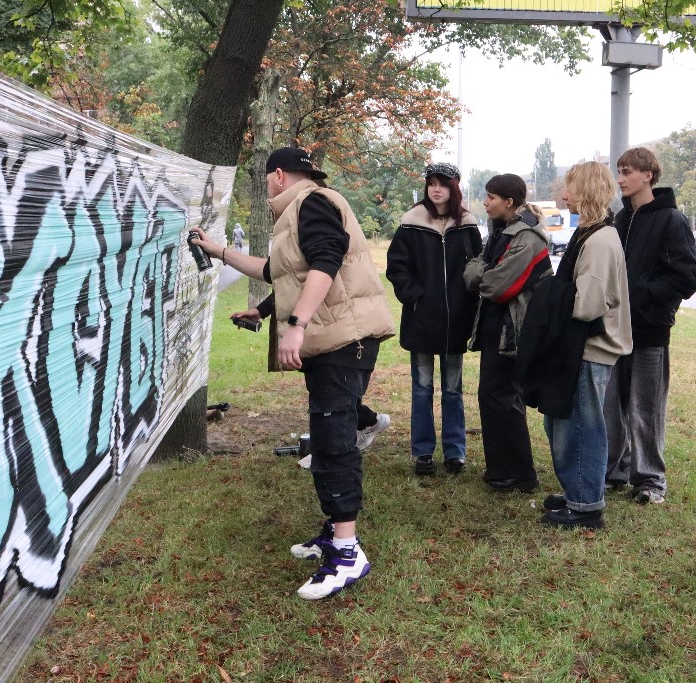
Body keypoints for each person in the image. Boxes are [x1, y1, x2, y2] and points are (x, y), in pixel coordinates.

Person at [191, 147, 395, 600]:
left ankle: (347, 553)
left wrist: (297, 325)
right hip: (338, 337)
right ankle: (334, 532)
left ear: (279, 175)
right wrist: (227, 263)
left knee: (333, 442)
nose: (266, 187)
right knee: (327, 434)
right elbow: (280, 272)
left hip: (344, 339)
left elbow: (326, 262)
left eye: (266, 179)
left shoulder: (311, 203)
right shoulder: (301, 209)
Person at [519, 162, 632, 530]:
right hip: (577, 346)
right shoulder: (590, 233)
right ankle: (577, 492)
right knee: (563, 423)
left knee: (581, 428)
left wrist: (549, 295)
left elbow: (587, 305)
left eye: (570, 188)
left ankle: (585, 506)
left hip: (590, 347)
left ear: (586, 192)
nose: (563, 196)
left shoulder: (598, 240)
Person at [603, 147, 696, 505]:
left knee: (645, 408)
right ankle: (614, 470)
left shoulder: (672, 220)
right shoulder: (621, 219)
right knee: (611, 405)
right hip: (615, 328)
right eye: (619, 171)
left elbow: (687, 278)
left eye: (627, 171)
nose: (620, 179)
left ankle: (649, 480)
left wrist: (639, 295)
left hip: (649, 329)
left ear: (648, 175)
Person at [386, 162, 481, 476]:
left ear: (453, 188)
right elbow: (396, 267)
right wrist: (415, 297)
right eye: (431, 183)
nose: (436, 189)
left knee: (453, 390)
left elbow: (477, 269)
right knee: (422, 388)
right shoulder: (412, 222)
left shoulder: (467, 224)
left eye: (442, 184)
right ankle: (423, 452)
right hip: (421, 320)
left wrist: (469, 304)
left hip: (456, 321)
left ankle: (455, 452)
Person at [463, 174, 552, 493]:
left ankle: (519, 474)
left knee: (504, 397)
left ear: (509, 202)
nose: (485, 202)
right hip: (496, 327)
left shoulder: (527, 237)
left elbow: (497, 286)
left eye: (491, 197)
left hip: (513, 330)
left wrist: (482, 273)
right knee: (491, 396)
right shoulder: (500, 231)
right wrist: (483, 272)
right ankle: (501, 469)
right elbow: (474, 270)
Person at [233, 291, 392, 451]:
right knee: (330, 396)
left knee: (335, 403)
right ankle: (360, 428)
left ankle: (339, 449)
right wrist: (262, 310)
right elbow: (291, 280)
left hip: (344, 330)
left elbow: (317, 279)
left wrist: (296, 325)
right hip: (326, 330)